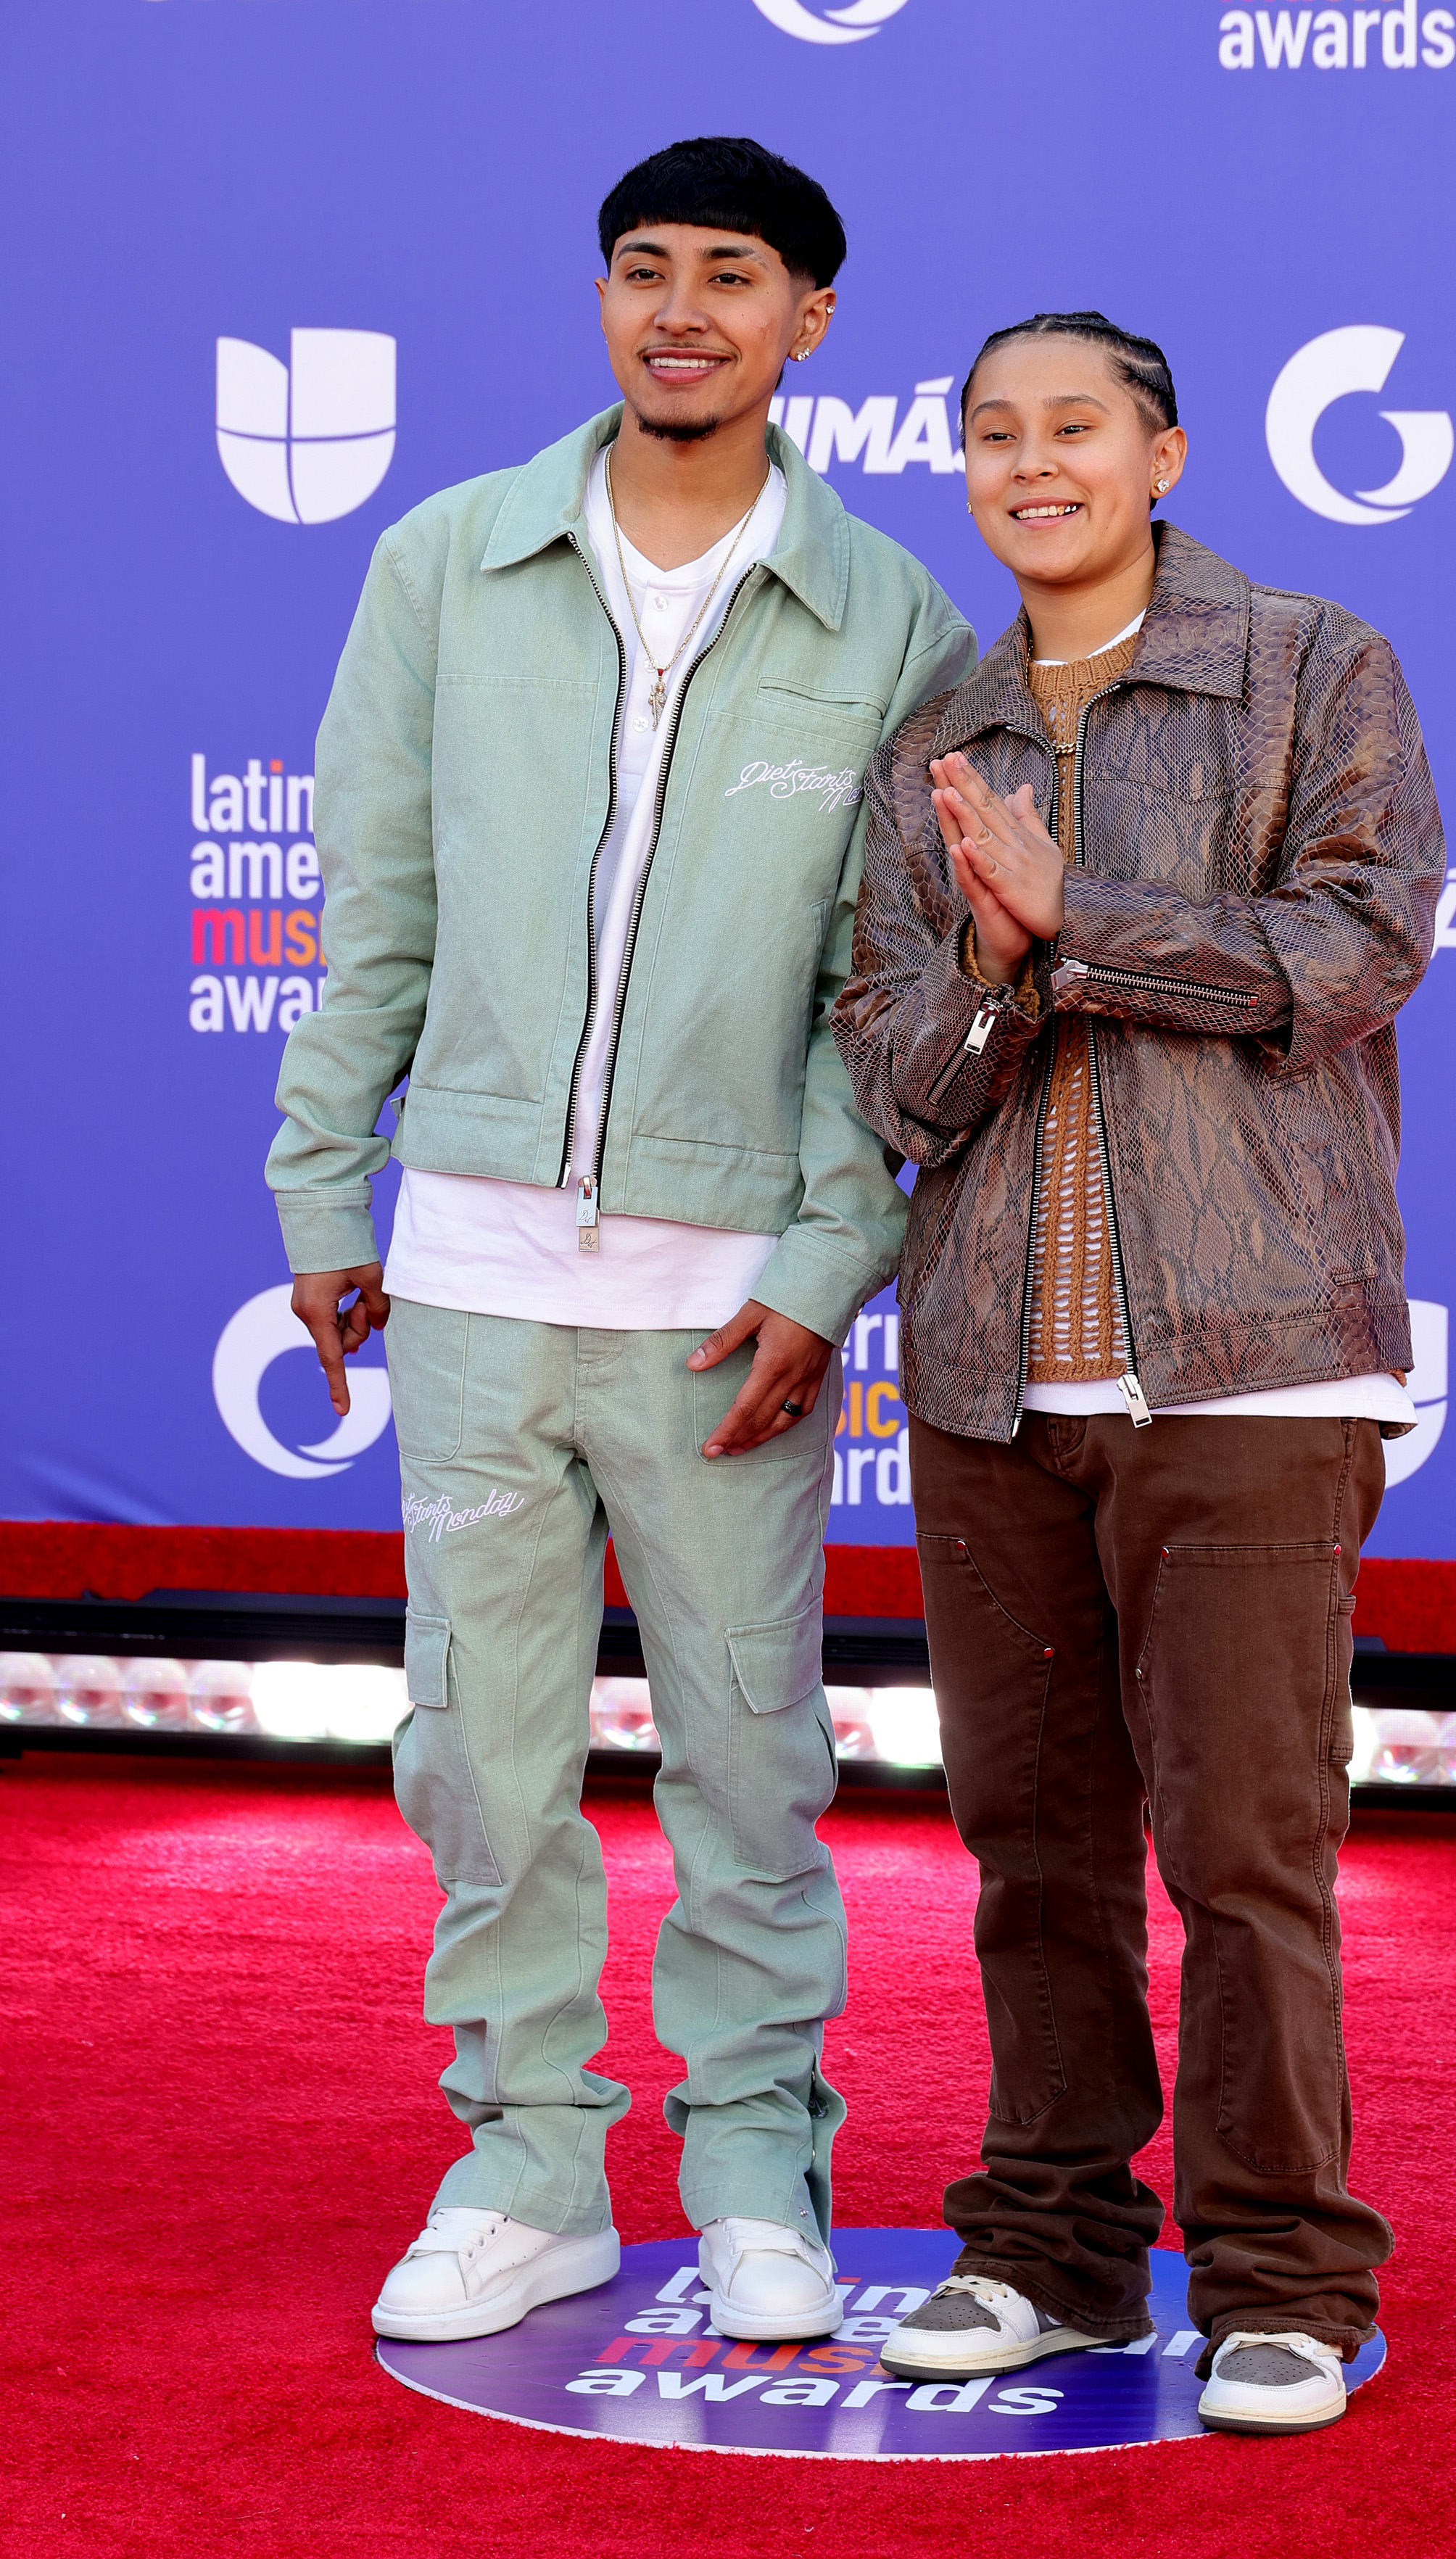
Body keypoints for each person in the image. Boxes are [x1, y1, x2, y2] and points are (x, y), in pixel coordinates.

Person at [267, 136, 975, 2350]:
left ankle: (757, 2161)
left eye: (731, 276)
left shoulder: (893, 626)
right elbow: (370, 897)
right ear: (605, 301)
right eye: (643, 271)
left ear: (808, 324)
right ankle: (528, 2165)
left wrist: (818, 1265)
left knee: (748, 1755)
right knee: (482, 1751)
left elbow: (890, 992)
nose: (682, 309)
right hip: (471, 1274)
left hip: (721, 1307)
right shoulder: (443, 559)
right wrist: (322, 1182)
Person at [833, 312, 1444, 2434]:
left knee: (1246, 1848)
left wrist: (1069, 908)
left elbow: (1357, 948)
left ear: (1161, 450)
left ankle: (1281, 2269)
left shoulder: (1307, 661)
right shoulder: (938, 725)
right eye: (991, 432)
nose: (1029, 462)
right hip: (995, 1384)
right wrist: (996, 968)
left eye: (1071, 425)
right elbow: (895, 1067)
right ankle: (1052, 2247)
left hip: (1249, 1371)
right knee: (1031, 1846)